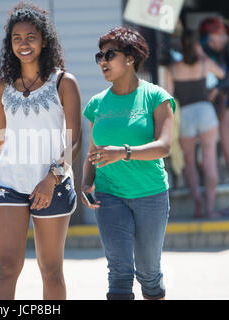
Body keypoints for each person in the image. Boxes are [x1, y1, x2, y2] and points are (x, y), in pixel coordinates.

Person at [0, 2, 82, 300]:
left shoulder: (64, 82)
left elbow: (74, 141)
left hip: (52, 185)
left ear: (45, 40)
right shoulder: (1, 88)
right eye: (17, 38)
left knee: (50, 270)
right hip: (8, 185)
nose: (23, 44)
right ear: (9, 43)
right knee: (6, 268)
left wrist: (52, 178)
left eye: (30, 37)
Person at [82, 27, 176, 300]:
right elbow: (93, 150)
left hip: (150, 194)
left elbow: (164, 146)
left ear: (131, 58)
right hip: (110, 195)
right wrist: (86, 181)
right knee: (119, 273)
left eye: (110, 54)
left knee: (148, 273)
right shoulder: (97, 103)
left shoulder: (156, 97)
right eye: (99, 55)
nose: (103, 61)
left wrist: (123, 152)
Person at [163, 30, 225, 219]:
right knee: (210, 162)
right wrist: (204, 56)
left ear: (180, 46)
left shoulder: (172, 69)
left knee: (189, 163)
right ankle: (211, 209)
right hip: (205, 112)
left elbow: (169, 96)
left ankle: (198, 204)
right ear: (197, 46)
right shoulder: (204, 64)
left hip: (186, 114)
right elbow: (222, 74)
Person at [199, 17, 229, 217]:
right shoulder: (226, 48)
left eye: (209, 38)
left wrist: (220, 86)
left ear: (218, 33)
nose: (209, 43)